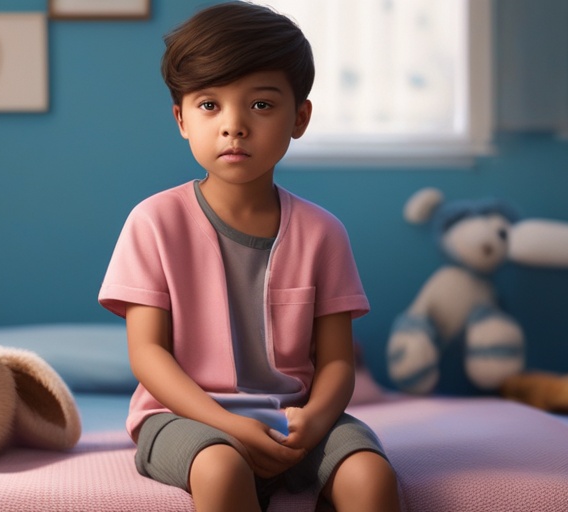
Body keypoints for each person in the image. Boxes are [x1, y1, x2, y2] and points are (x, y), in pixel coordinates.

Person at [98, 3, 401, 511]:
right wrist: (228, 424)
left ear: (299, 117)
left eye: (260, 105)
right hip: (183, 418)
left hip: (296, 415)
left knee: (371, 476)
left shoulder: (323, 233)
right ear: (181, 119)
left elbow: (336, 364)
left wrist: (317, 419)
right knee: (221, 467)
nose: (234, 125)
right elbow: (148, 355)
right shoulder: (153, 223)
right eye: (210, 105)